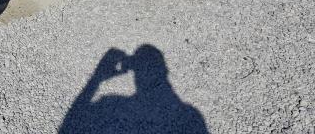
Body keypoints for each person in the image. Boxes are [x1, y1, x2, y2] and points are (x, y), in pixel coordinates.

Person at [59, 45, 209, 134]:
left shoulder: (109, 103)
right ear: (165, 70)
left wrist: (97, 79)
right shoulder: (191, 114)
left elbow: (70, 123)